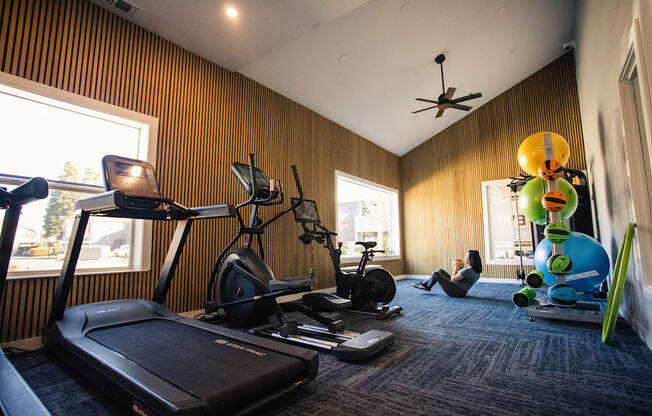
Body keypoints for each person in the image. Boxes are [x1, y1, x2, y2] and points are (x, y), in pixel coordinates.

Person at [412, 250, 482, 297]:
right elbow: (463, 281)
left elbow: (452, 280)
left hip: (456, 292)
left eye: (466, 257)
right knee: (440, 271)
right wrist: (458, 271)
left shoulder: (468, 270)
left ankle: (426, 286)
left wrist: (455, 269)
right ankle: (424, 284)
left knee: (436, 274)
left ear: (470, 259)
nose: (464, 258)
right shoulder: (477, 272)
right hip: (462, 291)